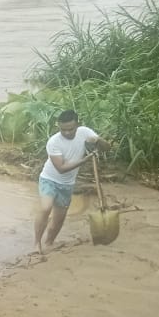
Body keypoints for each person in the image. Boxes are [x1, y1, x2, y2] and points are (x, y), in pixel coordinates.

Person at [35, 109, 110, 254]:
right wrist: (86, 159)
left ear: (77, 124)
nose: (67, 132)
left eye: (71, 129)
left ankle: (49, 243)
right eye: (63, 129)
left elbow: (107, 148)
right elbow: (61, 168)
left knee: (59, 219)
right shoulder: (54, 142)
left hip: (67, 184)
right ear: (59, 126)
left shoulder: (85, 132)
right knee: (45, 208)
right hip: (49, 179)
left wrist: (98, 141)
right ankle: (36, 244)